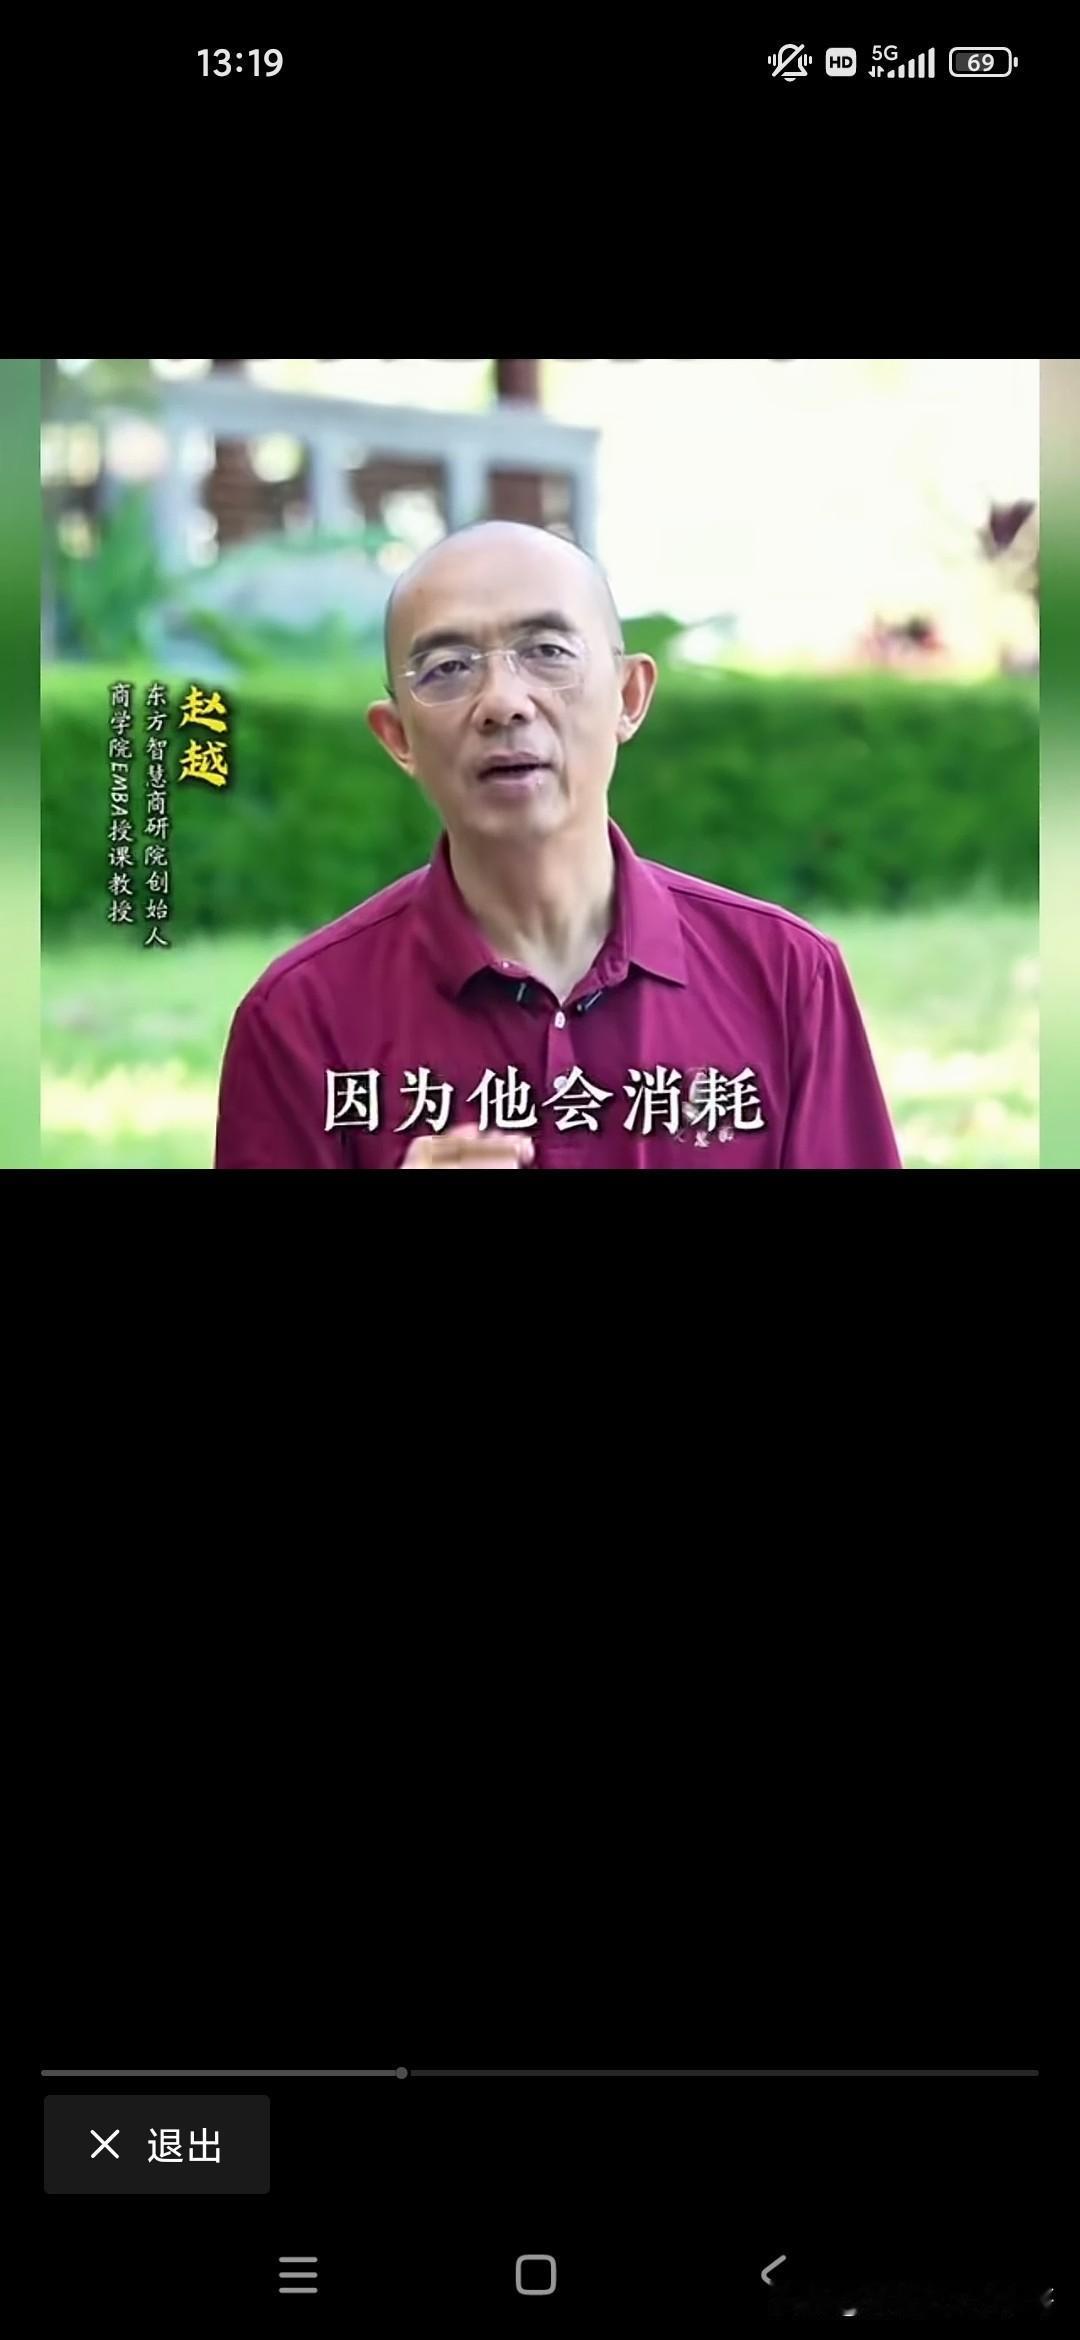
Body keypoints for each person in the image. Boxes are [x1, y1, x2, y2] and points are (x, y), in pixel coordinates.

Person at [214, 520, 902, 1169]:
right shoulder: (301, 1019)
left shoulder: (785, 979)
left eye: (547, 652)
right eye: (447, 668)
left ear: (630, 696)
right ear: (397, 737)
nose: (503, 703)